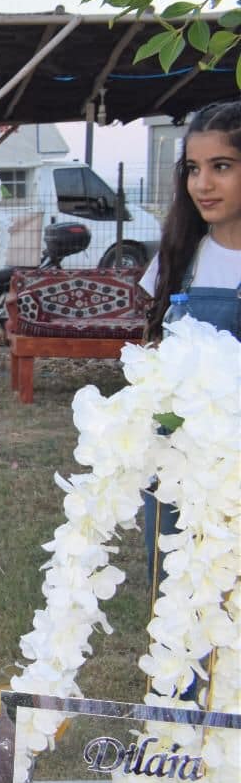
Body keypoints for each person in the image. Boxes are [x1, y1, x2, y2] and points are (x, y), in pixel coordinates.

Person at [140, 98, 241, 583]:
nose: (202, 184)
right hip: (179, 465)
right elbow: (151, 350)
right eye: (193, 169)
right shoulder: (180, 256)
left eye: (221, 166)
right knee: (180, 593)